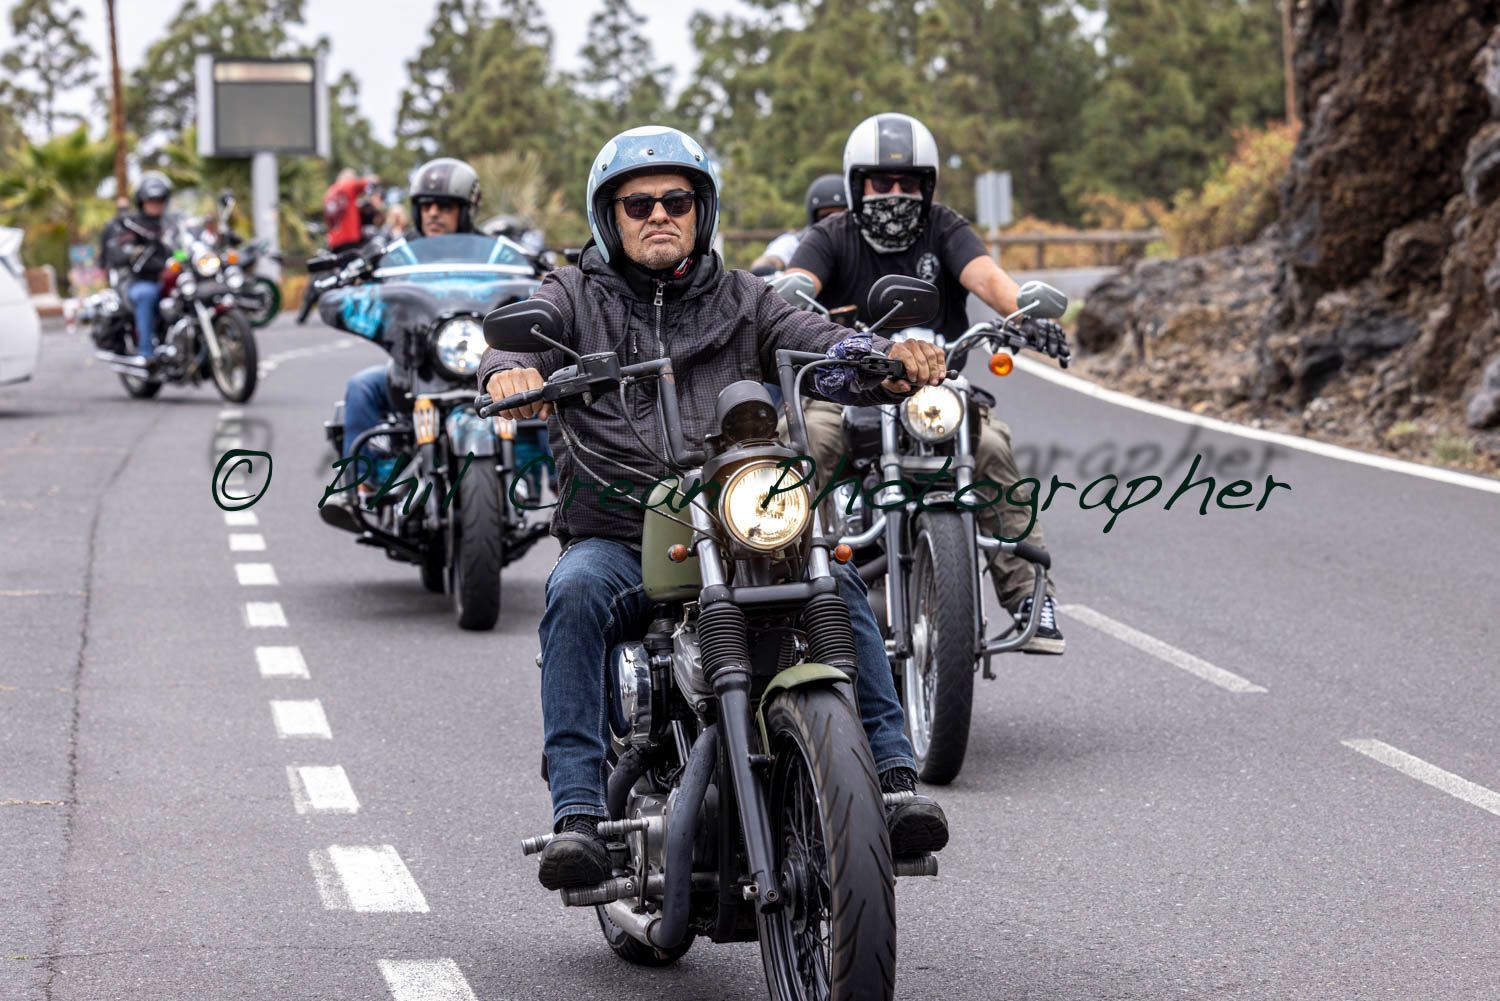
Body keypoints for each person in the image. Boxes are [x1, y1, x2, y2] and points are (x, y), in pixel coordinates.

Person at [479, 124, 952, 891]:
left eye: (676, 199)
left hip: (740, 527)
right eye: (638, 203)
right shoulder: (572, 296)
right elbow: (517, 343)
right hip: (625, 536)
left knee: (832, 576)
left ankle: (894, 783)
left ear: (702, 210)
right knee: (571, 594)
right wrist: (508, 371)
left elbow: (816, 342)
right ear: (611, 217)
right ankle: (578, 816)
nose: (658, 214)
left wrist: (884, 362)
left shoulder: (745, 299)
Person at [781, 112, 1068, 654]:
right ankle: (798, 585)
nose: (895, 194)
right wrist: (788, 289)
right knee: (806, 443)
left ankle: (1032, 595)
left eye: (908, 184)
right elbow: (801, 281)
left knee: (990, 445)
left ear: (927, 187)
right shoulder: (831, 235)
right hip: (846, 389)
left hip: (936, 391)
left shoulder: (946, 228)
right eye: (881, 183)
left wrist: (1025, 316)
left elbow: (986, 277)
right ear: (855, 185)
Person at [320, 157, 486, 531]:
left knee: (542, 390)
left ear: (466, 209)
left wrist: (543, 274)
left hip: (482, 367)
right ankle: (361, 487)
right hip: (417, 368)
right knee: (361, 387)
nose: (433, 213)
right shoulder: (397, 253)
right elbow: (363, 274)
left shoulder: (494, 252)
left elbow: (529, 277)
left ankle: (559, 476)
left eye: (444, 206)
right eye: (426, 205)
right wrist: (351, 280)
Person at [102, 171, 174, 363]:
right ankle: (146, 351)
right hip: (138, 280)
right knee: (147, 294)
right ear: (142, 201)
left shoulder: (173, 224)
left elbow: (187, 243)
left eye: (159, 200)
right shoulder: (130, 224)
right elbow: (118, 250)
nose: (155, 204)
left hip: (170, 278)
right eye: (151, 200)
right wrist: (131, 252)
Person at [749, 173, 848, 276]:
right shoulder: (796, 243)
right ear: (813, 217)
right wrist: (771, 270)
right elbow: (768, 260)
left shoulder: (861, 244)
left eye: (842, 216)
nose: (834, 221)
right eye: (826, 216)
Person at [323, 168, 385, 254]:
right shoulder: (348, 186)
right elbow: (370, 181)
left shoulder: (329, 193)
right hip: (349, 238)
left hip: (334, 241)